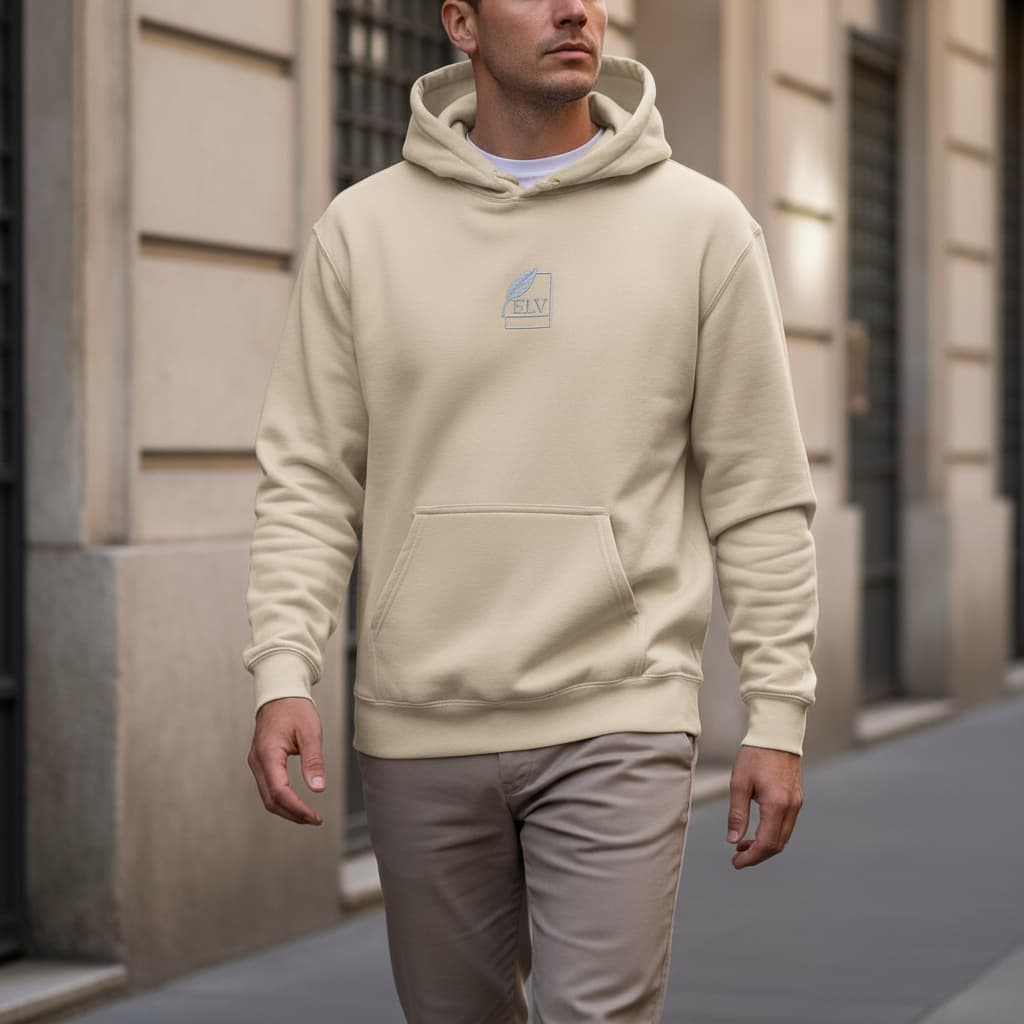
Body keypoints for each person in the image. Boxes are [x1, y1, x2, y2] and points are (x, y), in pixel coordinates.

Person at [242, 0, 820, 1019]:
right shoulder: (362, 231)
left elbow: (760, 492)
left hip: (621, 710)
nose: (573, 9)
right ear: (461, 24)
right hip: (420, 723)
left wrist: (778, 713)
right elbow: (311, 481)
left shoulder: (704, 228)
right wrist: (282, 668)